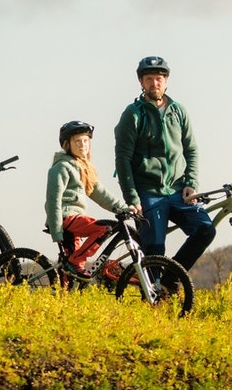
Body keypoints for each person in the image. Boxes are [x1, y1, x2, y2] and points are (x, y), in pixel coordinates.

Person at [114, 55, 217, 271]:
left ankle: (172, 277)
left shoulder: (178, 111)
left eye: (159, 79)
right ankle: (153, 296)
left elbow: (191, 149)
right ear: (141, 82)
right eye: (149, 79)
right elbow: (122, 159)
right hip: (148, 191)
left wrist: (191, 182)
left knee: (206, 229)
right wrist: (132, 198)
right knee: (154, 247)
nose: (155, 83)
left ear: (167, 80)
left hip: (179, 190)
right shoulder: (133, 115)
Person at [46, 120, 136, 278]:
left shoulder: (84, 167)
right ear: (67, 144)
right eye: (78, 141)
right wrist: (56, 231)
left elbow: (98, 191)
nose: (83, 145)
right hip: (66, 217)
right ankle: (74, 262)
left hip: (75, 218)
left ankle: (65, 295)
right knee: (103, 228)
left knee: (73, 268)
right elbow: (53, 200)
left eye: (86, 141)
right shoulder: (62, 167)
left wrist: (122, 207)